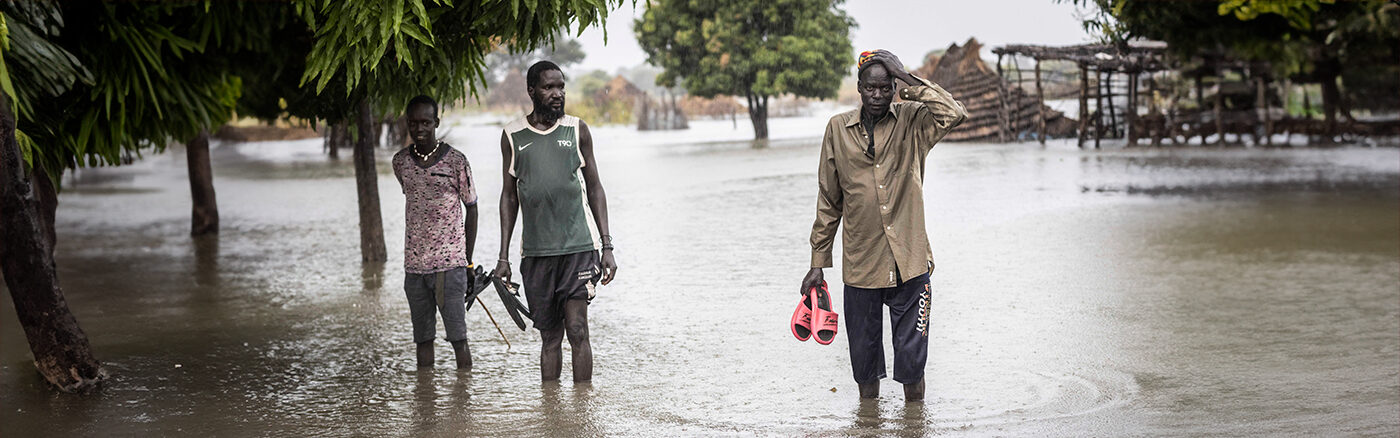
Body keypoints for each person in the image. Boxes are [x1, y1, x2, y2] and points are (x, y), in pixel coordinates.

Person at [801, 50, 967, 401]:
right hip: (861, 266)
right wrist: (818, 263)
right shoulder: (837, 130)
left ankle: (914, 425)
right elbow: (829, 201)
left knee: (912, 368)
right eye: (870, 88)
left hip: (910, 264)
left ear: (894, 88)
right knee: (864, 370)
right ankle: (870, 426)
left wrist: (908, 78)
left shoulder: (913, 122)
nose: (877, 95)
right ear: (859, 88)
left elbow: (954, 113)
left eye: (885, 87)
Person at [493, 60, 618, 382]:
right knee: (549, 338)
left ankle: (580, 410)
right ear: (532, 91)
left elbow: (595, 188)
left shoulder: (577, 130)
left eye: (561, 86)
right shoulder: (513, 136)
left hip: (578, 249)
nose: (557, 94)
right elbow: (509, 197)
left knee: (577, 329)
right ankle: (551, 415)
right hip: (536, 255)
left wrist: (607, 246)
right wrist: (503, 256)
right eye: (549, 87)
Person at [391, 95, 479, 370]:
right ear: (407, 123)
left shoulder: (456, 161)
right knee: (422, 340)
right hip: (414, 269)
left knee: (458, 338)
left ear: (436, 123)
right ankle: (425, 404)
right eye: (414, 123)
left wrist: (468, 261)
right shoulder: (401, 162)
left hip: (450, 267)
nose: (419, 129)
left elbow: (472, 210)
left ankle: (464, 404)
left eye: (426, 123)